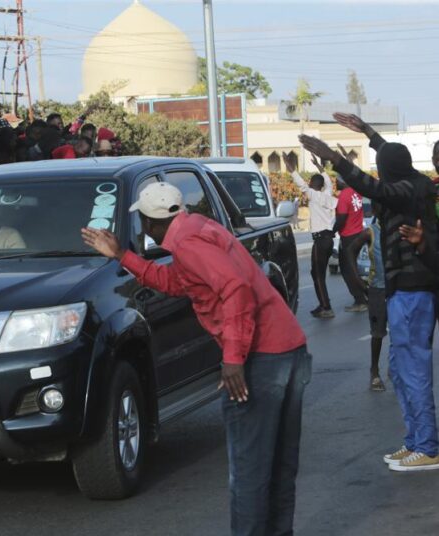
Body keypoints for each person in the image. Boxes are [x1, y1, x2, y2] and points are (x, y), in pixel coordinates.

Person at [82, 182, 309, 535]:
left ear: (151, 221)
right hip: (286, 350)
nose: (141, 226)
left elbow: (235, 289)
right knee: (278, 465)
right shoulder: (198, 228)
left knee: (249, 471)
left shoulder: (186, 244)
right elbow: (177, 282)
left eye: (142, 219)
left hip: (261, 358)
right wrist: (122, 256)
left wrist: (233, 358)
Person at [301, 112, 439, 472]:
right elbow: (388, 158)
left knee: (413, 368)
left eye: (382, 166)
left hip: (413, 290)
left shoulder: (406, 191)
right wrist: (367, 132)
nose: (379, 171)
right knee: (400, 367)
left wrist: (335, 159)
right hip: (401, 291)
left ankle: (427, 446)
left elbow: (373, 186)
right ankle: (415, 441)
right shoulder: (413, 181)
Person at [284, 153, 338, 318]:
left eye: (310, 183)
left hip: (320, 240)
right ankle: (323, 303)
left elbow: (300, 184)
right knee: (318, 273)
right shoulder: (328, 194)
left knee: (317, 274)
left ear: (312, 184)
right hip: (328, 239)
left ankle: (326, 306)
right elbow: (328, 181)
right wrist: (319, 167)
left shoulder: (313, 195)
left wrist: (291, 168)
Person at [346, 205, 387, 391]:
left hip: (398, 289)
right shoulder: (371, 232)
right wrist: (358, 281)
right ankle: (374, 371)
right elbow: (350, 251)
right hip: (377, 289)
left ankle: (395, 365)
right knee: (377, 334)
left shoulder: (400, 229)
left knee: (402, 332)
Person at [333, 171, 367, 312]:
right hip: (358, 233)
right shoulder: (356, 192)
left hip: (348, 237)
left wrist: (332, 231)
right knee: (353, 267)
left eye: (337, 180)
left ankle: (360, 299)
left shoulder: (344, 196)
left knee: (348, 269)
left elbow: (341, 219)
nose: (336, 183)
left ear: (343, 181)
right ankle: (363, 295)